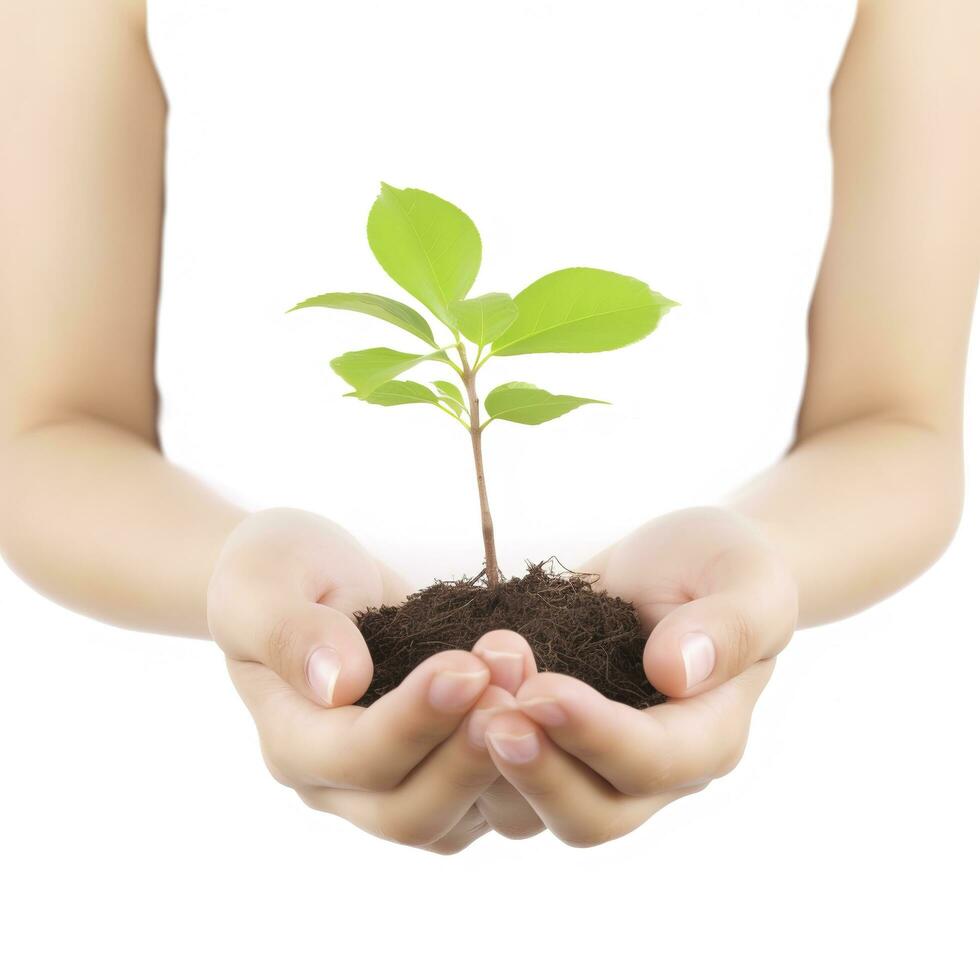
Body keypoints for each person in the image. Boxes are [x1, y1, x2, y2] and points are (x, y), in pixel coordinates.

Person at [0, 0, 976, 854]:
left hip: (775, 837)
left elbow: (892, 419)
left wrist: (756, 572)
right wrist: (242, 590)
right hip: (184, 821)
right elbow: (51, 429)